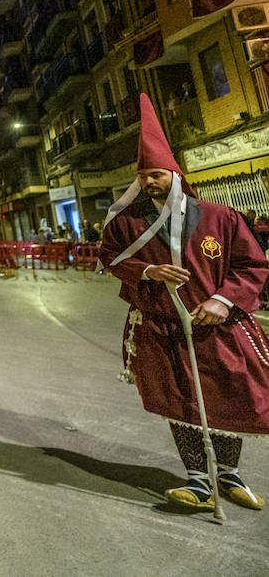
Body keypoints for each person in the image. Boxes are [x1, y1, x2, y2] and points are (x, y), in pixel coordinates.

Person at [99, 94, 269, 511]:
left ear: (174, 176)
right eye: (143, 176)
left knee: (230, 396)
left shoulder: (220, 217)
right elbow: (109, 258)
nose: (149, 182)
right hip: (162, 327)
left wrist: (222, 301)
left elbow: (252, 266)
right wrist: (146, 272)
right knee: (181, 401)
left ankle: (228, 475)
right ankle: (197, 480)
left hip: (218, 326)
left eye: (155, 174)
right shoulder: (126, 223)